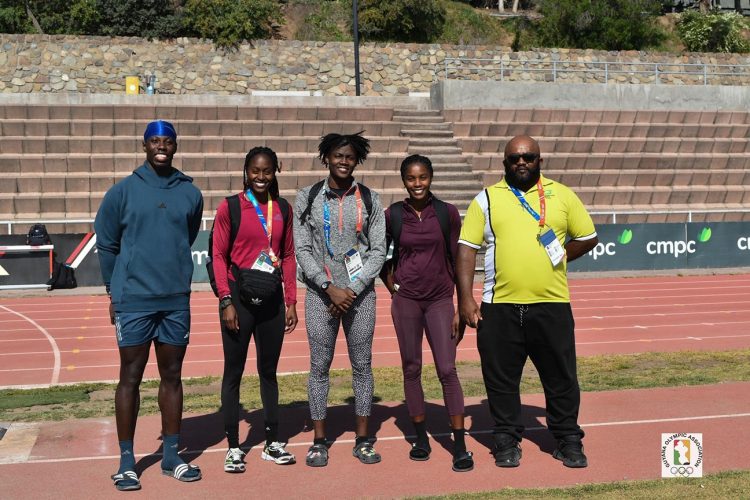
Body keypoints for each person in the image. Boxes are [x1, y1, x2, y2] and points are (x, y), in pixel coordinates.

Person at [456, 135, 598, 469]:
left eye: (529, 157)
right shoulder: (486, 199)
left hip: (552, 305)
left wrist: (560, 255)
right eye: (515, 158)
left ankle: (568, 440)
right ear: (504, 163)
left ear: (540, 161)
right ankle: (506, 440)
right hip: (499, 307)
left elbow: (588, 237)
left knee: (561, 378)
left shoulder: (562, 195)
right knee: (501, 381)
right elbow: (466, 248)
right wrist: (465, 298)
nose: (522, 163)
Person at [95, 120, 204, 491]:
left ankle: (172, 455)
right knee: (130, 376)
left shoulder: (190, 193)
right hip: (134, 300)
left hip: (174, 299)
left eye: (168, 141)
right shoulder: (122, 192)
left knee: (172, 375)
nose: (162, 146)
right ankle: (127, 462)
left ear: (175, 146)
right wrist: (114, 292)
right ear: (144, 146)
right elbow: (107, 245)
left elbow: (186, 236)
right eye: (155, 141)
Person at [294, 131, 387, 467]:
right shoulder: (307, 197)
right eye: (338, 156)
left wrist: (353, 288)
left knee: (362, 366)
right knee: (319, 367)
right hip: (321, 296)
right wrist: (327, 285)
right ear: (326, 158)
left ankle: (363, 439)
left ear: (357, 160)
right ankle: (320, 441)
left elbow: (378, 250)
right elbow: (302, 249)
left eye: (349, 157)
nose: (343, 162)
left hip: (359, 297)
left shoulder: (371, 199)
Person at [380, 154, 474, 472]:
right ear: (404, 180)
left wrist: (462, 304)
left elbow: (458, 259)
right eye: (411, 178)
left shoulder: (447, 213)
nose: (417, 184)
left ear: (430, 178)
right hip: (406, 302)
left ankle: (459, 444)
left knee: (447, 369)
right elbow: (384, 258)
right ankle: (421, 438)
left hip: (439, 300)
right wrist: (392, 286)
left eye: (422, 177)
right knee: (411, 368)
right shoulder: (392, 214)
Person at [211, 147, 298, 472]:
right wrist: (225, 300)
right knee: (233, 372)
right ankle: (234, 446)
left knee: (269, 372)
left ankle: (272, 442)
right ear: (246, 171)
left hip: (272, 301)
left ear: (275, 171)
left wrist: (290, 300)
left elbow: (288, 255)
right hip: (238, 299)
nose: (261, 177)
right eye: (255, 171)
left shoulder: (283, 209)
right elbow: (218, 256)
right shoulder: (230, 207)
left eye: (267, 171)